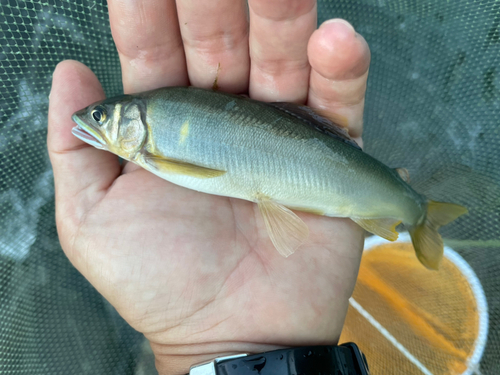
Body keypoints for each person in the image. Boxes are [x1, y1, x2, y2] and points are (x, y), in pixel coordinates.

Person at [47, 1, 371, 374]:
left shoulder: (152, 148)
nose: (89, 121)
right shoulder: (149, 139)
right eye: (98, 117)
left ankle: (410, 205)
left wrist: (202, 351)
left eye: (100, 117)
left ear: (134, 120)